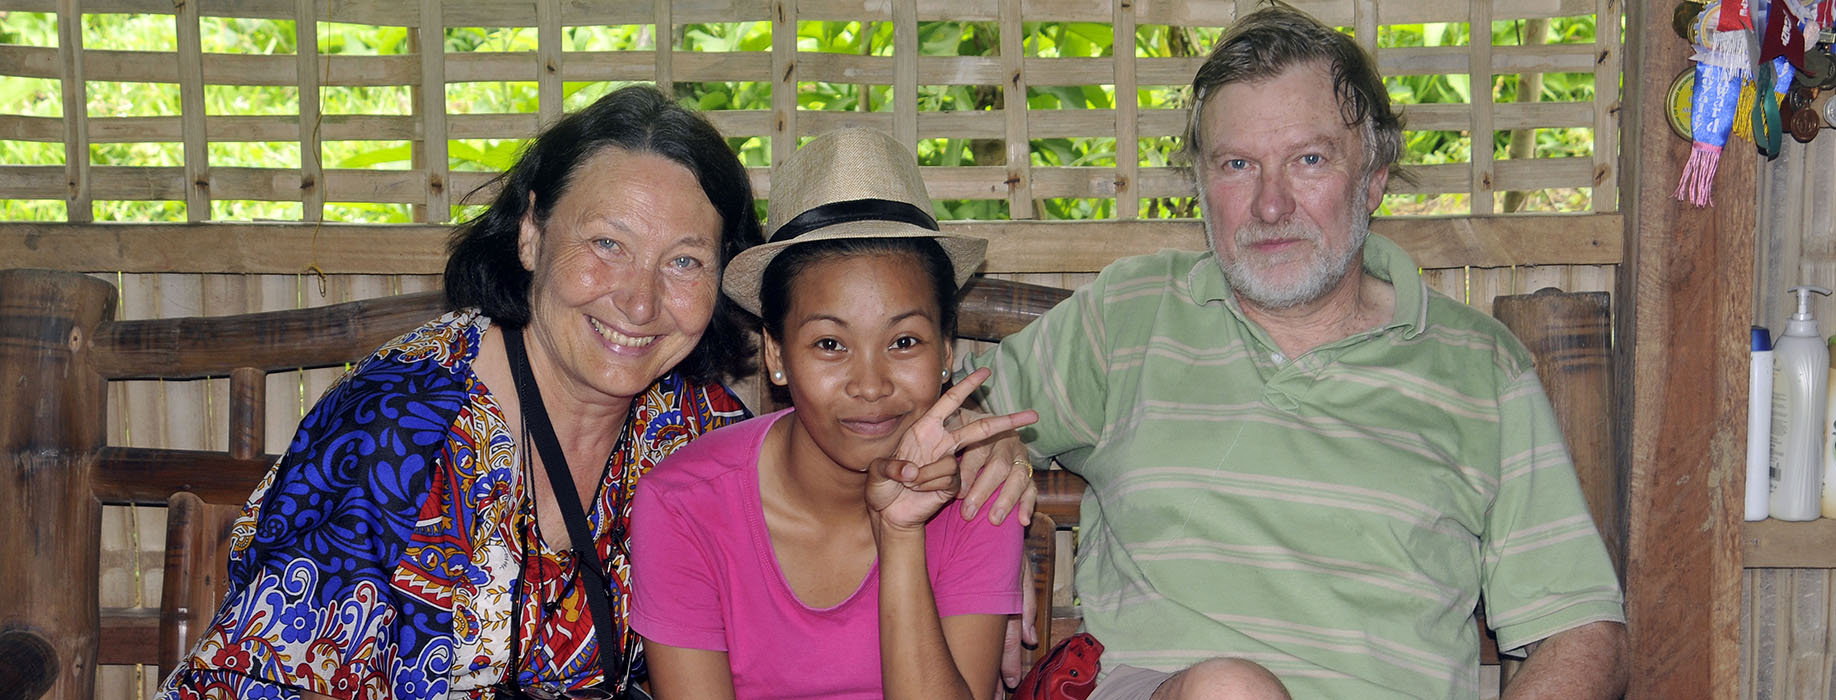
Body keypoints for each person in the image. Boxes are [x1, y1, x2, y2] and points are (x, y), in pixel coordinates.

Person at [154, 88, 1038, 700]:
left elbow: (847, 432)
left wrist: (989, 456)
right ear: (533, 232)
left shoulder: (683, 425)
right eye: (607, 244)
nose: (640, 299)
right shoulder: (397, 425)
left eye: (683, 261)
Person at [970, 5, 1626, 700]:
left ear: (1372, 178)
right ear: (1200, 186)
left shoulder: (1479, 369)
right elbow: (941, 424)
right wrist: (985, 471)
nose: (1271, 204)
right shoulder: (1130, 314)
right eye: (1237, 165)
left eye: (1308, 160)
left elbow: (1581, 631)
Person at [630, 128, 1036, 700]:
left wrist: (900, 535)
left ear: (947, 352)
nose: (870, 386)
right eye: (829, 344)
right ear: (776, 354)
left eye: (904, 343)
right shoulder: (684, 506)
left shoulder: (978, 494)